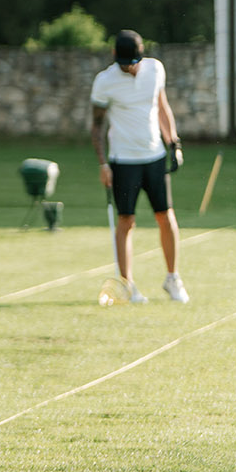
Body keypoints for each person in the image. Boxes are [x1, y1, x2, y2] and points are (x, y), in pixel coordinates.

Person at [91, 29, 188, 303]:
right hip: (123, 161)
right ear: (114, 56)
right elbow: (96, 126)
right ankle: (128, 285)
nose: (130, 69)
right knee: (126, 221)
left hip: (154, 156)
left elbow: (162, 107)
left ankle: (172, 279)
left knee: (165, 216)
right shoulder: (104, 81)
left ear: (141, 55)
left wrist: (173, 143)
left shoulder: (155, 70)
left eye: (133, 63)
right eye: (125, 64)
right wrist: (103, 164)